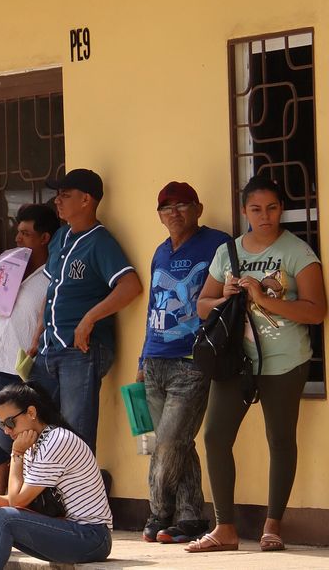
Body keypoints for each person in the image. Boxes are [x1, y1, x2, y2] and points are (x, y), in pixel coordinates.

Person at [187, 174, 326, 554]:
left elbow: (316, 312)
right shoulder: (228, 253)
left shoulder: (298, 252)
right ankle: (225, 528)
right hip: (235, 361)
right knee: (215, 436)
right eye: (256, 209)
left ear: (281, 209)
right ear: (244, 211)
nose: (264, 216)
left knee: (280, 440)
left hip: (285, 361)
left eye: (272, 208)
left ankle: (272, 526)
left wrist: (265, 300)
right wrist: (226, 296)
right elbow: (202, 306)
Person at [135, 183, 230, 544]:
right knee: (179, 443)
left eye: (182, 206)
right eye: (166, 208)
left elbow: (229, 297)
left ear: (198, 209)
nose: (173, 213)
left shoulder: (218, 244)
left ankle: (159, 512)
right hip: (155, 360)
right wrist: (142, 357)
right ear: (159, 215)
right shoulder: (160, 252)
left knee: (169, 441)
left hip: (193, 359)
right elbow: (153, 306)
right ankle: (190, 518)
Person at [32, 168, 142, 451]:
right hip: (49, 347)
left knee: (75, 437)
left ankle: (81, 482)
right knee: (33, 427)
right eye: (57, 195)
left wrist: (90, 318)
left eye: (65, 195)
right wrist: (38, 333)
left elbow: (130, 285)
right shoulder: (60, 237)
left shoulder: (100, 241)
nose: (57, 201)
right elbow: (53, 289)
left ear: (86, 200)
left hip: (80, 350)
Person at [0, 382, 113, 569]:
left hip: (92, 537)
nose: (7, 431)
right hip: (68, 530)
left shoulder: (57, 441)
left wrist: (16, 454)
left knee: (4, 519)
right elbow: (18, 501)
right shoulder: (35, 445)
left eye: (9, 422)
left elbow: (17, 501)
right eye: (2, 425)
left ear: (31, 412)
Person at [0, 204, 59, 493]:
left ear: (45, 238)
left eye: (26, 234)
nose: (18, 239)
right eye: (17, 233)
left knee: (17, 434)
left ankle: (20, 496)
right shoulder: (8, 269)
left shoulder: (52, 277)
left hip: (19, 369)